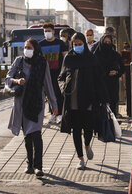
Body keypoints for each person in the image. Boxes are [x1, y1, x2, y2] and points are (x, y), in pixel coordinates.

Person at [6, 38, 58, 177]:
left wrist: (54, 104)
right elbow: (8, 78)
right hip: (21, 103)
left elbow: (48, 84)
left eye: (29, 47)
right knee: (27, 136)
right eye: (25, 47)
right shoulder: (19, 61)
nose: (26, 50)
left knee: (36, 134)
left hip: (36, 103)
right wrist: (17, 81)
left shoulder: (42, 63)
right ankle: (29, 164)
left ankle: (38, 166)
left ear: (35, 49)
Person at [58, 32, 109, 170]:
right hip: (72, 99)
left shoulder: (92, 59)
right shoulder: (68, 58)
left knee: (88, 128)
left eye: (80, 44)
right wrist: (64, 89)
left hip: (88, 99)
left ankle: (87, 144)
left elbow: (99, 80)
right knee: (75, 129)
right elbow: (61, 77)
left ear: (84, 45)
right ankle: (80, 159)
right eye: (75, 44)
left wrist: (104, 99)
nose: (77, 46)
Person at [39, 23, 68, 124]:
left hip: (58, 73)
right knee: (48, 95)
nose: (47, 33)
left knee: (58, 94)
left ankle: (60, 114)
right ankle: (53, 114)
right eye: (45, 31)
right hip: (46, 74)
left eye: (49, 31)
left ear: (53, 32)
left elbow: (65, 57)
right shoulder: (40, 44)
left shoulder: (60, 43)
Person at [94, 34, 125, 118]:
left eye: (109, 42)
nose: (107, 44)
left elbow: (122, 68)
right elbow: (95, 70)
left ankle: (112, 127)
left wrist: (117, 73)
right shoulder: (96, 55)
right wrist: (107, 72)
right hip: (101, 84)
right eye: (105, 42)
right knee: (101, 107)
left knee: (112, 106)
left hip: (113, 84)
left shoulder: (116, 55)